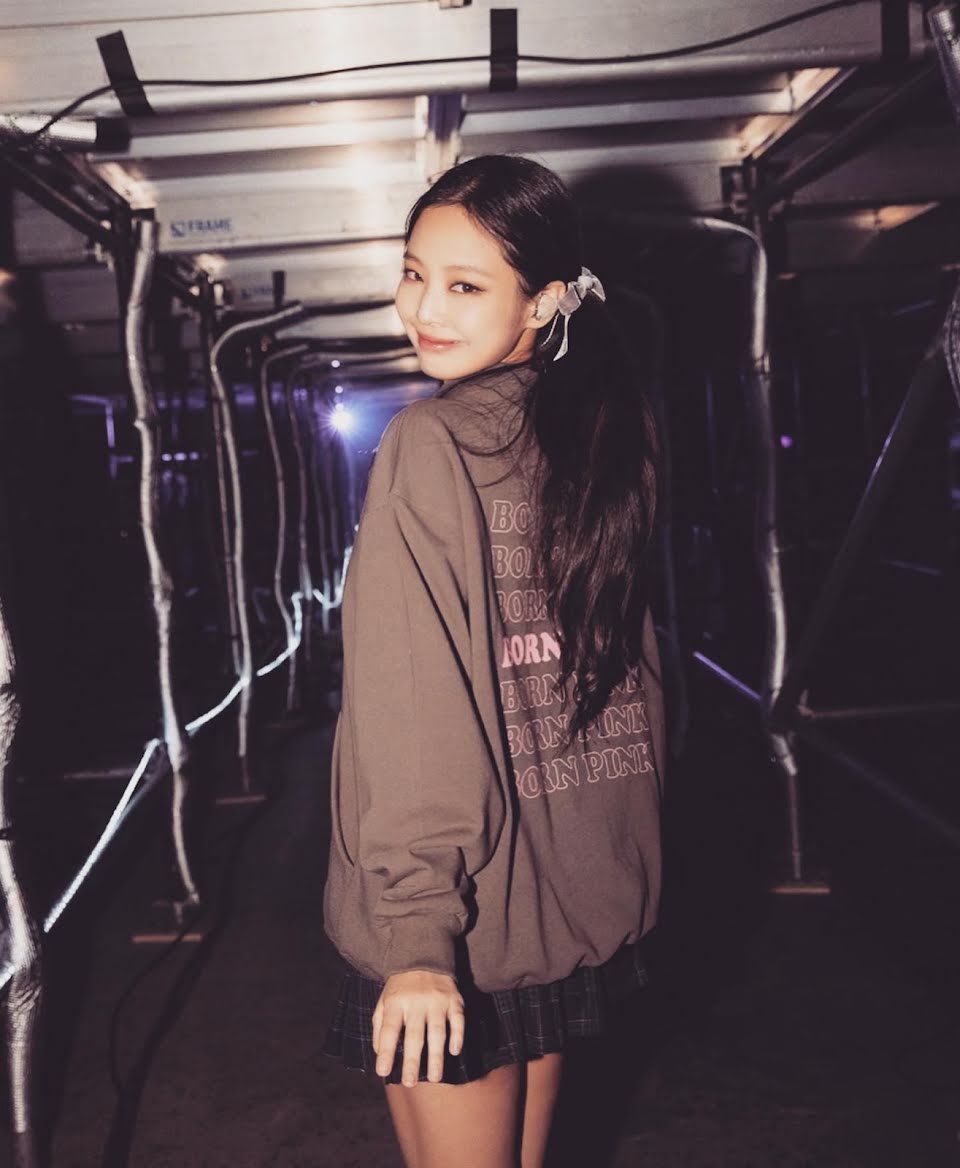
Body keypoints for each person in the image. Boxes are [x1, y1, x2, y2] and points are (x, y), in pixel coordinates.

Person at [322, 153, 665, 1168]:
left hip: (462, 924)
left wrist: (418, 935)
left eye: (465, 285)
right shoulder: (604, 435)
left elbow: (414, 704)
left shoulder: (430, 443)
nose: (423, 307)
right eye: (413, 272)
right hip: (567, 907)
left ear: (545, 300)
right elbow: (637, 683)